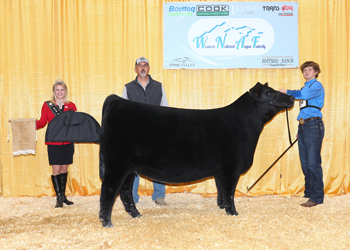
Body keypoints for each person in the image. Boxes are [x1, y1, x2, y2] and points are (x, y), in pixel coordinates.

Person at [122, 57, 168, 206]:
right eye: (139, 65)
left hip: (156, 132)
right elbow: (124, 111)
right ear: (135, 69)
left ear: (149, 68)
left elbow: (165, 108)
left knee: (158, 163)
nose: (142, 67)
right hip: (135, 133)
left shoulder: (158, 86)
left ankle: (159, 195)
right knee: (134, 165)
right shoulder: (128, 87)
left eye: (145, 65)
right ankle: (133, 197)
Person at [279, 61, 325, 207]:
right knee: (305, 163)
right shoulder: (304, 87)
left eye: (310, 69)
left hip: (313, 125)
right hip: (305, 126)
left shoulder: (316, 86)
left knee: (313, 163)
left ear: (316, 72)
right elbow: (303, 106)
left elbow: (302, 95)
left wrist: (286, 91)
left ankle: (317, 197)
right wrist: (300, 129)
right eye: (305, 70)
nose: (306, 72)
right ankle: (309, 192)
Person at [36, 79, 77, 208]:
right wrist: (29, 123)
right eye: (57, 90)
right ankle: (58, 198)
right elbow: (42, 122)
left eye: (62, 90)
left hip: (67, 142)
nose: (60, 92)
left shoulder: (71, 106)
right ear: (54, 92)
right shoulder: (47, 105)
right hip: (54, 142)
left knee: (65, 168)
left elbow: (74, 123)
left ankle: (64, 196)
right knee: (56, 169)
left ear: (66, 91)